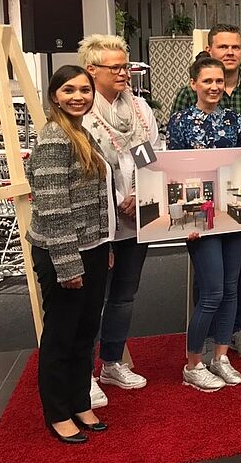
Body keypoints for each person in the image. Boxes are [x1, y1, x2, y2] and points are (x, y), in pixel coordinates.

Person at [170, 23, 241, 359]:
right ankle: (206, 341)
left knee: (240, 276)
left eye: (235, 47)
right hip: (199, 208)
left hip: (236, 203)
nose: (230, 52)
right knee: (209, 281)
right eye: (223, 47)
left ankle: (235, 333)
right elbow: (175, 164)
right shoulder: (183, 108)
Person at [28, 66, 114, 443]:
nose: (78, 96)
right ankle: (58, 412)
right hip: (63, 253)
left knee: (84, 333)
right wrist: (68, 265)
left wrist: (104, 246)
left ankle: (80, 402)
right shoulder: (53, 138)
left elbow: (95, 199)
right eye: (69, 90)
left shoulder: (81, 132)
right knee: (61, 336)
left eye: (84, 90)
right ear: (54, 95)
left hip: (92, 249)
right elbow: (52, 207)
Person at [78, 35, 160, 401]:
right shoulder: (81, 112)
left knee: (125, 296)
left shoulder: (141, 110)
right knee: (91, 299)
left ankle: (111, 363)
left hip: (136, 219)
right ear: (92, 71)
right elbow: (84, 170)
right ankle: (83, 374)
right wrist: (116, 199)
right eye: (116, 68)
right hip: (98, 222)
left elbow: (151, 156)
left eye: (126, 66)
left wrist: (139, 194)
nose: (124, 73)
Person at [169, 55, 241, 391]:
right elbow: (172, 172)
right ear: (194, 84)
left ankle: (221, 356)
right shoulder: (180, 121)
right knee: (212, 292)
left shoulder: (235, 121)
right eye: (207, 81)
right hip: (198, 218)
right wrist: (183, 217)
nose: (214, 87)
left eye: (219, 81)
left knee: (231, 290)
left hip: (234, 214)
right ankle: (193, 364)